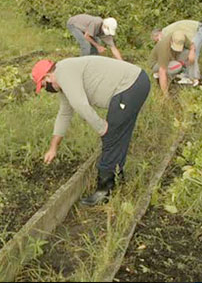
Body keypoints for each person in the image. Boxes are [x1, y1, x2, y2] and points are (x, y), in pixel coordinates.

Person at [31, 56, 150, 206]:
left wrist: (102, 128)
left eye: (43, 85)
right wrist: (53, 148)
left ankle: (104, 191)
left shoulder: (64, 73)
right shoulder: (64, 78)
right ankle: (117, 177)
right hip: (136, 82)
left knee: (111, 138)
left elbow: (80, 105)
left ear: (48, 76)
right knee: (119, 134)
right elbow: (65, 114)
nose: (45, 89)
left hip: (130, 85)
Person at [151, 20, 202, 86]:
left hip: (200, 30)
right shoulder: (168, 34)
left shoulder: (166, 33)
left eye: (157, 39)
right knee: (185, 53)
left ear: (159, 34)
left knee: (192, 54)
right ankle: (187, 73)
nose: (158, 42)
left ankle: (191, 78)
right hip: (195, 33)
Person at [150, 30, 194, 97]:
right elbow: (162, 70)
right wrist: (165, 94)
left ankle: (184, 75)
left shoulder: (181, 36)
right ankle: (160, 76)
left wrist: (192, 53)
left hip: (172, 58)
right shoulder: (163, 47)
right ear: (171, 41)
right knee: (178, 66)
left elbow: (192, 45)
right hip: (156, 64)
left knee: (187, 53)